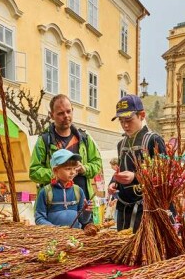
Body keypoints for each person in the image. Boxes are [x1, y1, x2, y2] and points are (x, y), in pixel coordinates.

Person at [107, 95, 166, 232]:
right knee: (122, 245)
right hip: (123, 207)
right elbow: (120, 169)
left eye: (129, 120)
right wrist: (113, 182)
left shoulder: (154, 140)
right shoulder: (121, 144)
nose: (125, 125)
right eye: (121, 121)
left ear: (142, 115)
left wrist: (135, 177)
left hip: (146, 208)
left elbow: (164, 175)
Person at [29, 94, 103, 201]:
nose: (66, 116)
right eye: (60, 113)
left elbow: (97, 163)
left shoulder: (84, 138)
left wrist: (84, 169)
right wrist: (57, 173)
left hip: (82, 205)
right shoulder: (44, 141)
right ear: (51, 115)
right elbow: (34, 172)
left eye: (68, 111)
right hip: (55, 206)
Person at [35, 149, 92, 228]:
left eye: (74, 168)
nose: (72, 172)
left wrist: (86, 212)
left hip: (75, 237)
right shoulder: (46, 192)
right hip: (55, 238)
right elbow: (39, 218)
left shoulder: (78, 191)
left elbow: (83, 220)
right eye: (68, 169)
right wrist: (55, 229)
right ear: (55, 170)